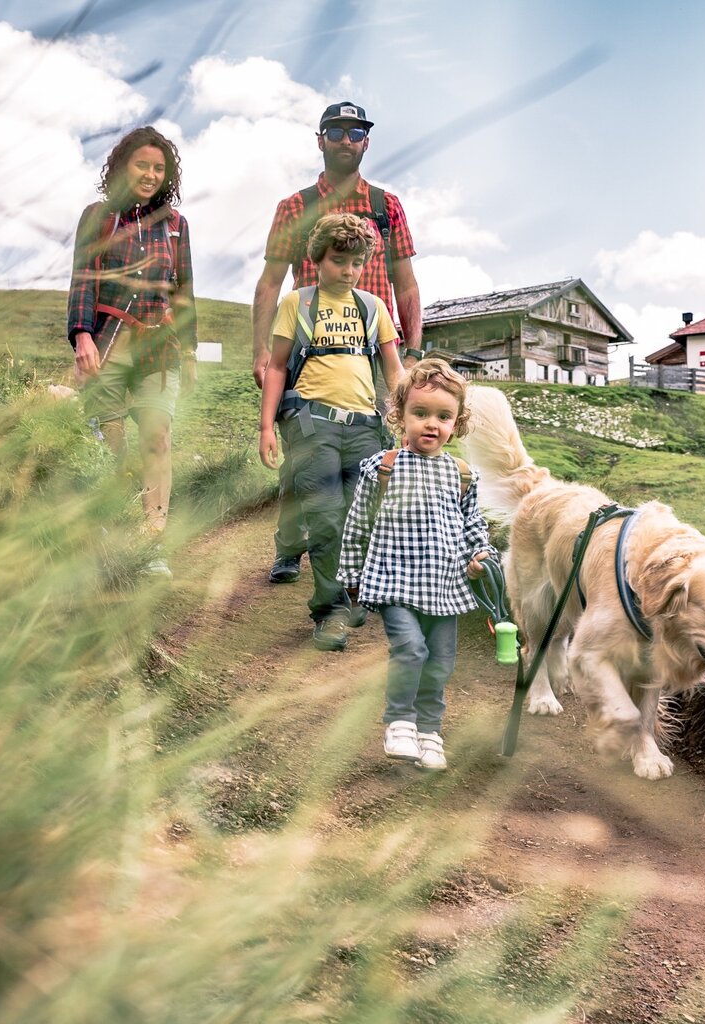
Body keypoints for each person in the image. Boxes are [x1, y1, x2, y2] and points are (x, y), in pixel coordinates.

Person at [252, 101, 423, 587]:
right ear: (320, 139)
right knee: (302, 452)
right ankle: (290, 546)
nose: (346, 139)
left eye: (356, 132)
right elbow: (270, 282)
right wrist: (261, 351)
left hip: (375, 348)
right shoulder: (295, 207)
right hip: (308, 347)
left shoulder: (386, 206)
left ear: (366, 141)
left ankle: (353, 559)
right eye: (336, 131)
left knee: (370, 457)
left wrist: (411, 352)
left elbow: (406, 283)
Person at [337, 360, 500, 771]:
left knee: (441, 662)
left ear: (456, 423)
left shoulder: (462, 474)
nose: (432, 424)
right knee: (411, 649)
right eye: (420, 413)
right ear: (400, 415)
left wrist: (480, 555)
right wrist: (352, 579)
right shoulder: (384, 468)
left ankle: (429, 731)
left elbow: (472, 526)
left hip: (445, 587)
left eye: (443, 417)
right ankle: (399, 723)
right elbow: (357, 526)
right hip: (394, 583)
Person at [259, 212, 404, 652]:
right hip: (311, 425)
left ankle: (352, 590)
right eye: (339, 260)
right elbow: (277, 367)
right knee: (324, 518)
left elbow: (394, 370)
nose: (349, 270)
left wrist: (408, 419)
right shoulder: (297, 303)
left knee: (361, 519)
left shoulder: (373, 308)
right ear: (318, 259)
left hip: (365, 428)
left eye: (357, 262)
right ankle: (331, 612)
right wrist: (266, 426)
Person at [67, 125, 197, 578]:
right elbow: (83, 278)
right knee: (111, 445)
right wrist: (82, 335)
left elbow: (183, 293)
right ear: (123, 167)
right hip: (106, 344)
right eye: (142, 165)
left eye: (159, 168)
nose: (150, 174)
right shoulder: (99, 217)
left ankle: (152, 542)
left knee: (158, 438)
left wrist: (191, 352)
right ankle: (114, 537)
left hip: (159, 350)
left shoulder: (176, 226)